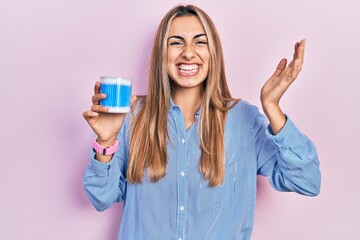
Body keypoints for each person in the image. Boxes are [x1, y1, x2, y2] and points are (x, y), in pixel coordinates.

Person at [82, 4, 321, 240]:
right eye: (176, 42)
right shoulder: (133, 116)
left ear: (213, 52)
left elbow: (307, 180)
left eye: (200, 41)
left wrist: (272, 108)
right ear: (161, 54)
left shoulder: (245, 120)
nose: (188, 52)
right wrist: (106, 141)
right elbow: (101, 198)